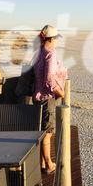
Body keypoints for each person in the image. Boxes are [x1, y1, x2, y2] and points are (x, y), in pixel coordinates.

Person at [32, 25, 67, 174]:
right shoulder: (50, 54)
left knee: (42, 130)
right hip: (48, 97)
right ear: (52, 39)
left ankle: (41, 162)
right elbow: (49, 78)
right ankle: (49, 164)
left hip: (38, 96)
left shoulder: (38, 52)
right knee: (47, 132)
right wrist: (60, 92)